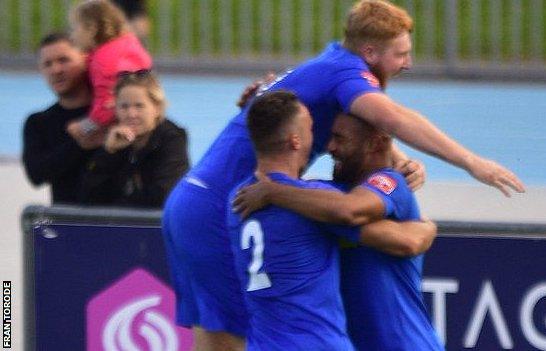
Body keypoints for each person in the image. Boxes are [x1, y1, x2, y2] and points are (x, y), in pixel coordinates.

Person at [163, 0, 523, 347]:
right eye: (400, 54)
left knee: (216, 337)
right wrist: (473, 163)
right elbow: (393, 118)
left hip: (192, 201)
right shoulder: (347, 74)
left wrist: (392, 154)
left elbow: (369, 125)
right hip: (221, 206)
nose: (407, 63)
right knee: (233, 339)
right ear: (369, 53)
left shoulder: (330, 63)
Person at [225, 91, 437, 350]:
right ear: (294, 141)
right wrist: (426, 229)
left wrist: (273, 190)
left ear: (375, 144)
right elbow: (409, 240)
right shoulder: (318, 202)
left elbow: (356, 211)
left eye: (339, 138)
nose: (328, 147)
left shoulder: (240, 199)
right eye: (320, 132)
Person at [78, 71, 189, 208]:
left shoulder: (172, 139)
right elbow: (87, 197)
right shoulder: (116, 138)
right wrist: (108, 152)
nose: (131, 114)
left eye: (139, 106)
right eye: (124, 106)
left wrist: (117, 205)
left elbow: (163, 197)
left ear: (157, 109)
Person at [22, 32, 103, 204]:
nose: (56, 70)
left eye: (64, 60)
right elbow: (36, 174)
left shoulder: (113, 114)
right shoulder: (39, 122)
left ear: (85, 58)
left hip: (117, 222)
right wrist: (80, 144)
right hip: (66, 224)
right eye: (47, 64)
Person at [66, 0, 152, 140]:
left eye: (75, 28)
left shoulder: (103, 61)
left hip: (127, 126)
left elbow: (106, 105)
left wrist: (85, 126)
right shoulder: (126, 42)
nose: (72, 35)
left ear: (91, 29)